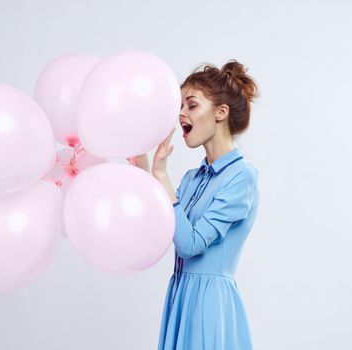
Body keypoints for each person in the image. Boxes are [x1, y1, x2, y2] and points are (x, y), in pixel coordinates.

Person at [132, 59, 260, 349]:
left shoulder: (242, 176)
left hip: (210, 305)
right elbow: (165, 229)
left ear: (221, 113)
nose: (180, 114)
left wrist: (162, 175)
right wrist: (143, 168)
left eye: (191, 105)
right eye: (179, 107)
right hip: (181, 296)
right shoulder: (192, 178)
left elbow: (190, 245)